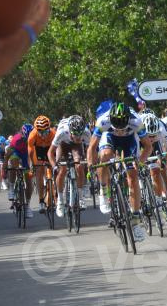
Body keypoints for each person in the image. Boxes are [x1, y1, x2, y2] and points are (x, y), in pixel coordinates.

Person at [87, 102, 151, 242]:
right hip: (110, 139)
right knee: (105, 156)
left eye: (123, 127)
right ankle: (104, 190)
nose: (120, 130)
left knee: (133, 177)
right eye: (117, 127)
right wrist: (91, 165)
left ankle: (135, 222)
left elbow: (148, 146)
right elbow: (92, 147)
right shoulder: (103, 120)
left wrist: (139, 162)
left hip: (130, 141)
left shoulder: (136, 121)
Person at [47, 115, 90, 217]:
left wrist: (88, 162)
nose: (78, 137)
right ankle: (60, 202)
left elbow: (90, 150)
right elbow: (50, 153)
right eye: (76, 135)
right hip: (63, 143)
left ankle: (80, 197)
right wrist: (54, 166)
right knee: (62, 170)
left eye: (80, 135)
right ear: (70, 131)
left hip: (76, 146)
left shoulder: (86, 133)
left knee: (79, 166)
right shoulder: (62, 132)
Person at [28, 115, 55, 213]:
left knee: (53, 168)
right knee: (39, 171)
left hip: (49, 149)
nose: (43, 134)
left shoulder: (53, 133)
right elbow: (31, 152)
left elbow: (55, 150)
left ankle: (54, 192)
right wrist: (32, 164)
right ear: (36, 130)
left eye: (46, 131)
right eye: (40, 132)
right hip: (37, 150)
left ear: (49, 128)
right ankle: (41, 201)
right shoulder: (32, 135)